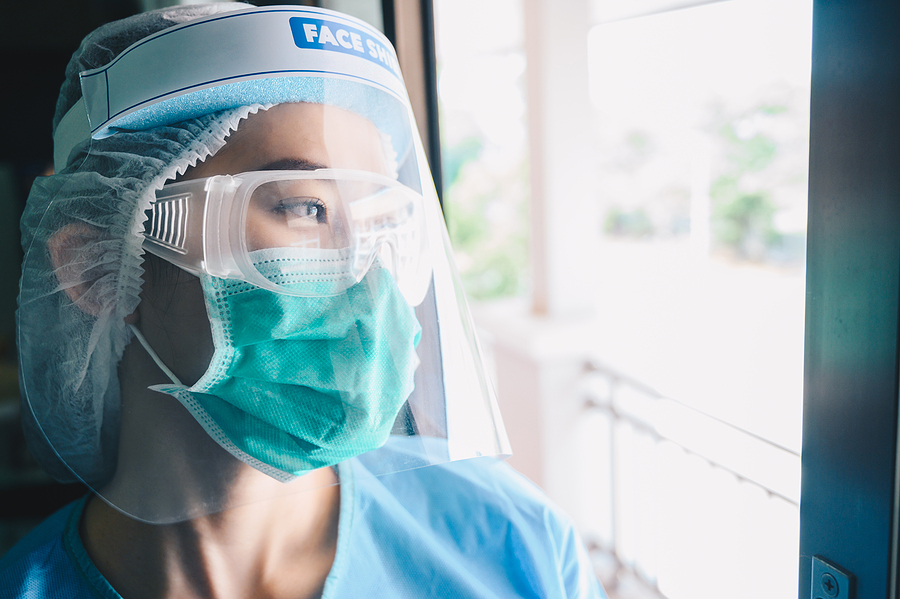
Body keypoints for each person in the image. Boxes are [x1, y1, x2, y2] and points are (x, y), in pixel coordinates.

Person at [0, 4, 607, 598]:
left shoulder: (516, 544)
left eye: (378, 223)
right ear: (95, 268)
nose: (369, 278)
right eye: (305, 207)